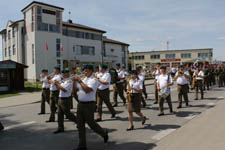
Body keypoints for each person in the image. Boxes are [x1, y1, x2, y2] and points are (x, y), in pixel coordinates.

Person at [73, 65, 108, 150]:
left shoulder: (94, 80)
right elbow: (75, 89)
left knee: (91, 124)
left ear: (91, 71)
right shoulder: (84, 79)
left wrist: (79, 80)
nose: (85, 72)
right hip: (80, 104)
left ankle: (103, 133)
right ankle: (82, 145)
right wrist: (74, 81)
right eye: (84, 70)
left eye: (87, 71)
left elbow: (87, 90)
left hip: (89, 105)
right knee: (80, 125)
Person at [53, 69, 77, 134]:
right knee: (59, 114)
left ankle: (78, 122)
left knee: (68, 114)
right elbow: (59, 88)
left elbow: (64, 89)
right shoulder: (63, 80)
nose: (62, 75)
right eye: (62, 74)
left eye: (63, 74)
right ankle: (60, 128)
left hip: (66, 99)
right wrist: (56, 84)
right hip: (60, 98)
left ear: (66, 74)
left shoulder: (69, 81)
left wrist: (57, 83)